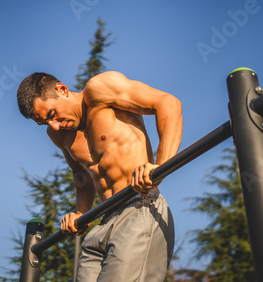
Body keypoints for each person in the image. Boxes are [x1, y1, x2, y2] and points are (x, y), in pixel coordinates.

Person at [17, 71, 182, 281]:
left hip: (139, 207)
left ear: (62, 89)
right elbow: (81, 173)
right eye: (45, 124)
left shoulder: (100, 90)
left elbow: (168, 103)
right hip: (102, 223)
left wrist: (160, 167)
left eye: (52, 114)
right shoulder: (59, 135)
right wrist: (80, 212)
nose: (54, 125)